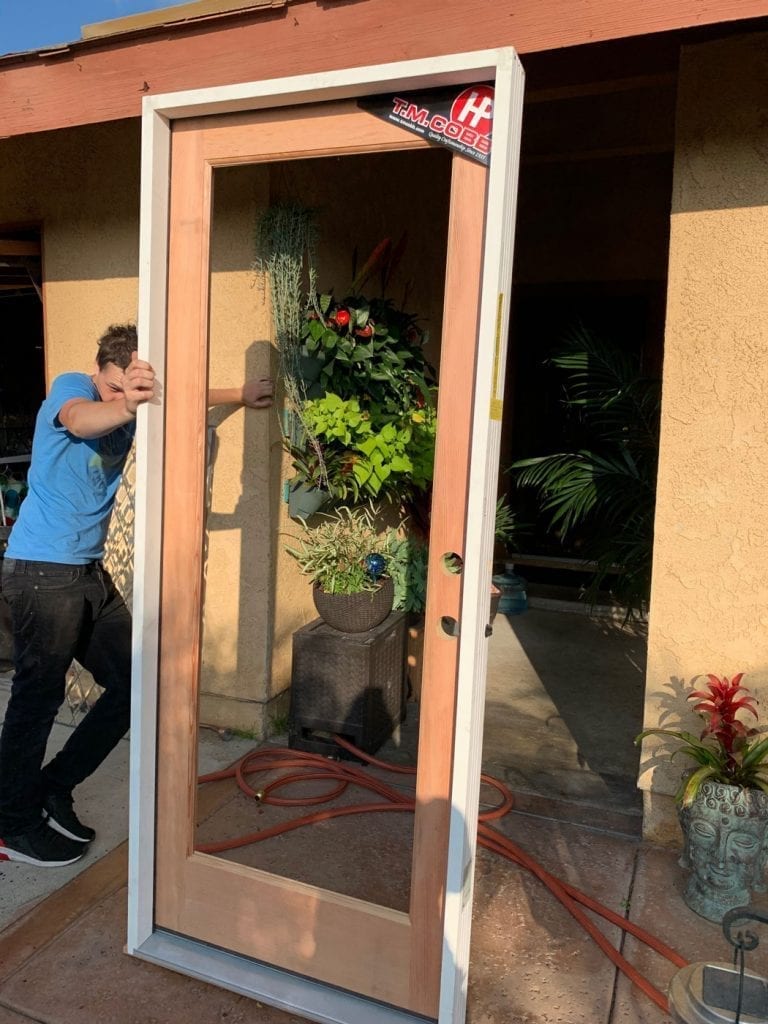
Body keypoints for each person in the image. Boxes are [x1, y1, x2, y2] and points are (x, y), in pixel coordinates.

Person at [0, 323, 273, 867]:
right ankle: (12, 823)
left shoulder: (135, 398)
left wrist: (237, 396)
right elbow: (81, 419)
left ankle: (53, 787)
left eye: (131, 390)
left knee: (140, 683)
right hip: (40, 571)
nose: (118, 399)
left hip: (85, 574)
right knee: (39, 696)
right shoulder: (71, 388)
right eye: (114, 387)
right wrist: (128, 404)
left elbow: (182, 395)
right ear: (102, 372)